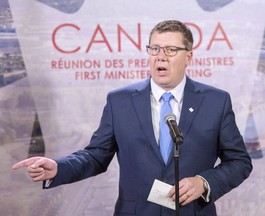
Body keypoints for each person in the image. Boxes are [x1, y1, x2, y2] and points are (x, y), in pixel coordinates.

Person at [12, 20, 252, 216]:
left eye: (171, 50)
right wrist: (58, 168)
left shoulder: (215, 101)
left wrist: (203, 182)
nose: (161, 56)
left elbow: (239, 162)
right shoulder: (120, 101)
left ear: (188, 57)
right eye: (154, 48)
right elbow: (96, 155)